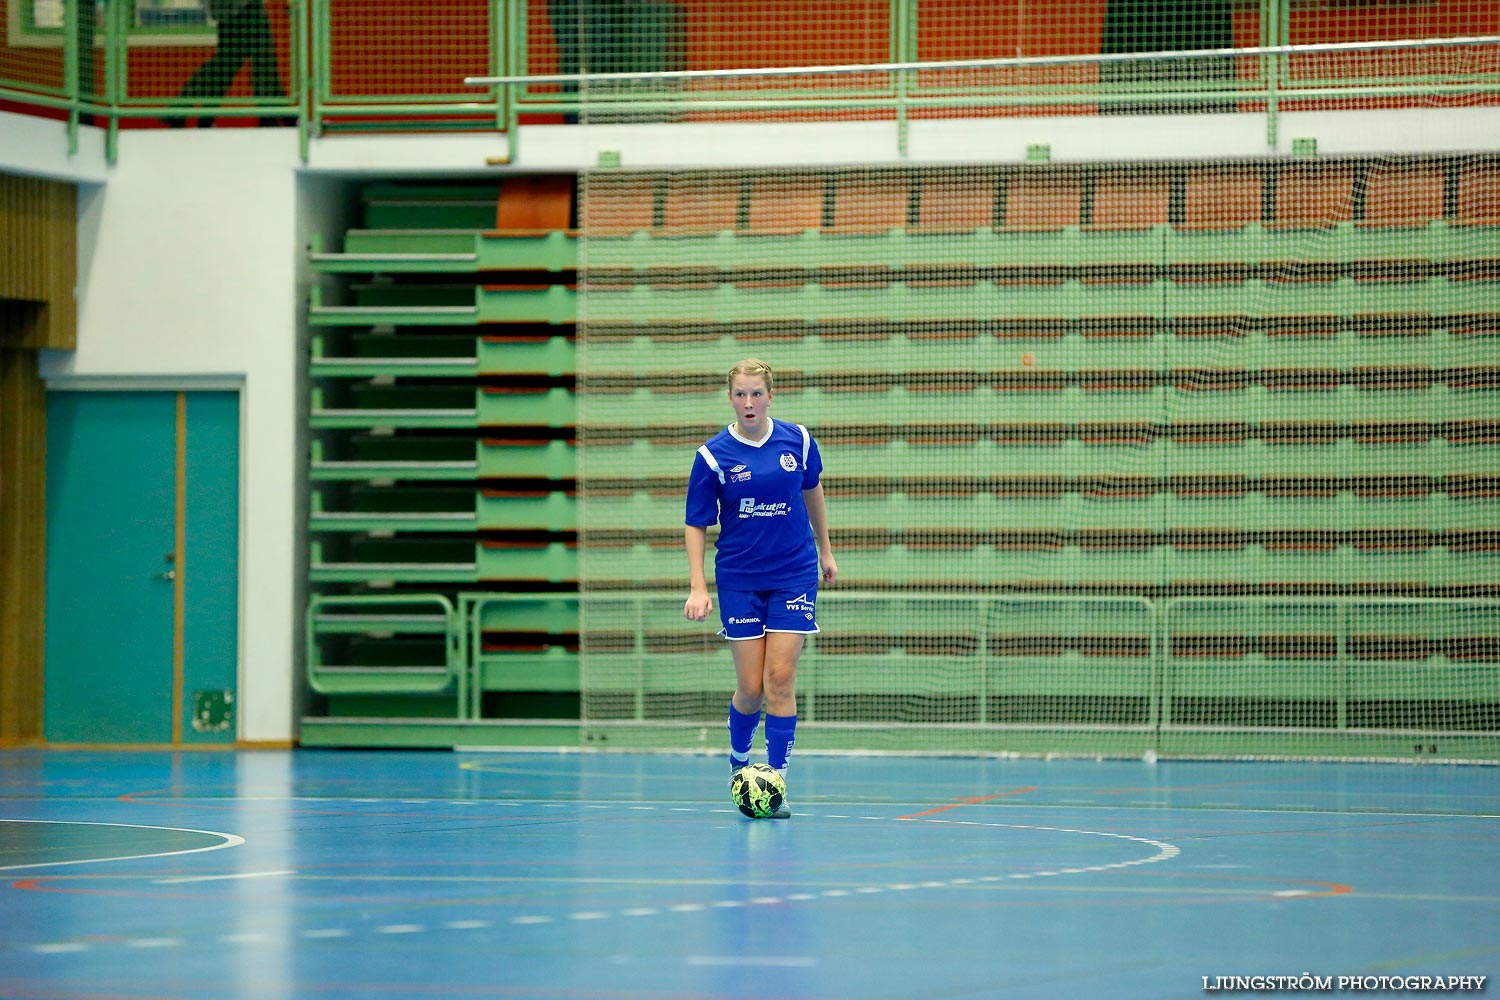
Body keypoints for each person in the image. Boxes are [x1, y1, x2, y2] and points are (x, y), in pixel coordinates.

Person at [683, 359, 837, 819]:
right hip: (740, 579)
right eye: (739, 395)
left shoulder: (799, 441)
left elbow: (813, 493)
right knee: (750, 689)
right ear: (729, 398)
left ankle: (774, 781)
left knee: (780, 680)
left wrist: (826, 552)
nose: (748, 403)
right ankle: (738, 766)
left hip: (793, 572)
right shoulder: (712, 455)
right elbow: (696, 522)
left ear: (771, 395)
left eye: (756, 394)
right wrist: (697, 586)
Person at [172, 0, 287, 127]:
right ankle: (275, 120)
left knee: (226, 66)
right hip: (243, 7)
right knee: (260, 63)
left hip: (226, 10)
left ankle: (190, 114)